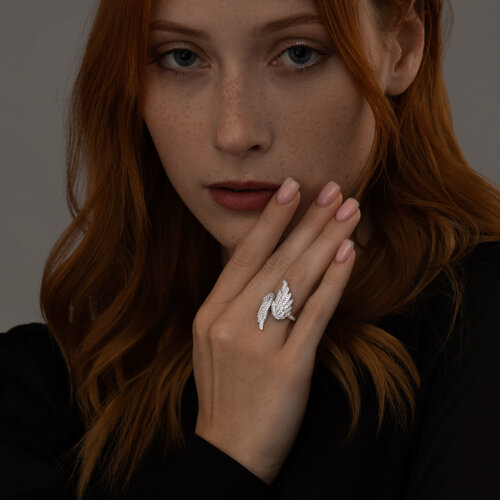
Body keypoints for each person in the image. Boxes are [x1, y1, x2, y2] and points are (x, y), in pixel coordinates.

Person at [1, 0, 499, 498]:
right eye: (181, 57)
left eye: (299, 53)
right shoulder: (39, 393)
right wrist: (226, 451)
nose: (235, 134)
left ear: (403, 49)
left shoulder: (478, 326)